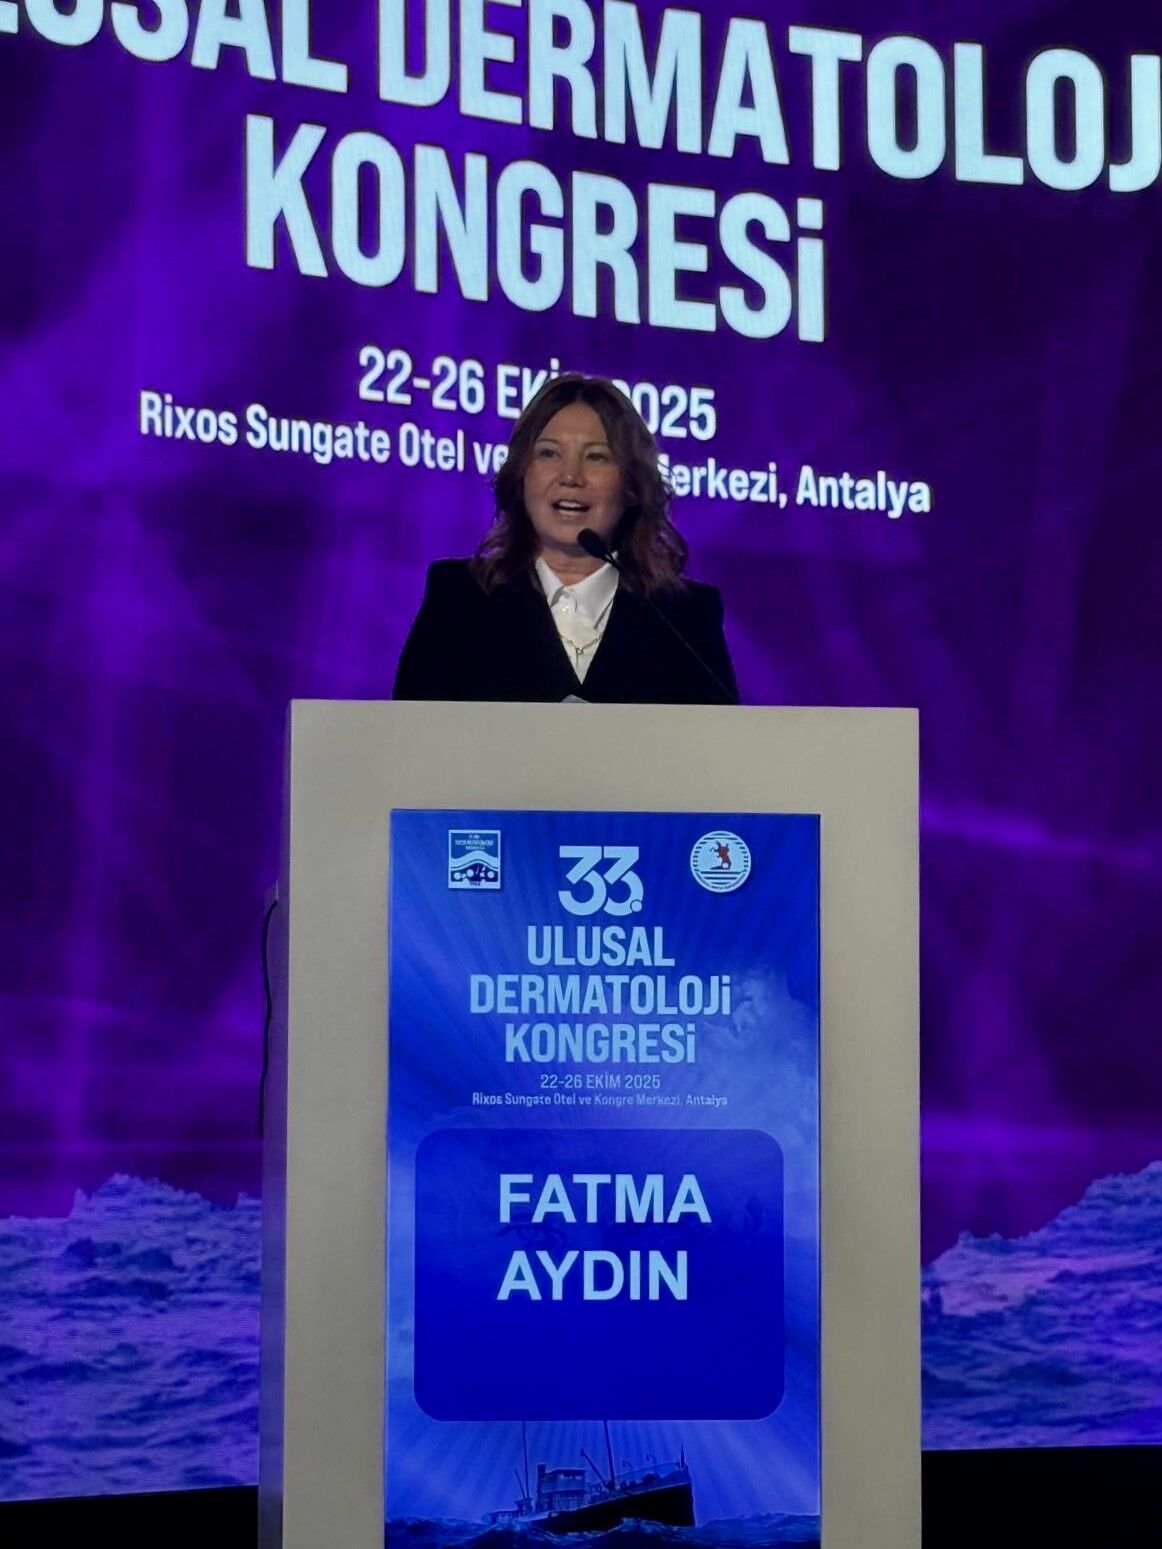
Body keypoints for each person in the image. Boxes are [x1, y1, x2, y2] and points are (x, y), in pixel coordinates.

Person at [392, 373, 738, 704]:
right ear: (522, 476)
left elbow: (720, 738)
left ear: (632, 486)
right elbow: (410, 733)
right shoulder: (459, 597)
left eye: (596, 457)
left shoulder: (684, 615)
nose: (571, 476)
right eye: (549, 453)